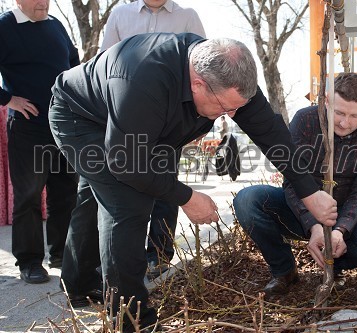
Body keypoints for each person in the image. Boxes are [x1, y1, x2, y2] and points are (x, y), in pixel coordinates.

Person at [48, 33, 337, 331]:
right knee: (125, 205)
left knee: (97, 196)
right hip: (82, 118)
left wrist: (309, 192)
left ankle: (79, 283)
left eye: (236, 108)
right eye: (225, 108)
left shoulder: (228, 74)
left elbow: (270, 132)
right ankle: (132, 321)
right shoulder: (142, 78)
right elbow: (127, 164)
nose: (232, 116)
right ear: (198, 83)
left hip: (143, 126)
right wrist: (186, 197)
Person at [60, 0, 207, 294]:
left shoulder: (188, 17)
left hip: (165, 126)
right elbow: (105, 59)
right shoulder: (120, 14)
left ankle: (158, 258)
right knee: (100, 198)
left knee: (164, 192)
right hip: (112, 119)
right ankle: (81, 281)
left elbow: (208, 66)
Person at [233, 73, 357, 298]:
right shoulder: (305, 120)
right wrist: (313, 225)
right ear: (326, 101)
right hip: (299, 209)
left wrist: (339, 230)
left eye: (355, 116)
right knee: (247, 200)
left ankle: (333, 266)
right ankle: (284, 271)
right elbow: (292, 180)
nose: (344, 122)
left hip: (345, 211)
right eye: (339, 112)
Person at [0, 0, 79, 284]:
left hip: (62, 124)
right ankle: (30, 262)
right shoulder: (4, 27)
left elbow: (73, 62)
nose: (43, 2)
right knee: (29, 196)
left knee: (65, 191)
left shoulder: (55, 25)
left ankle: (62, 253)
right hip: (28, 127)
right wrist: (8, 99)